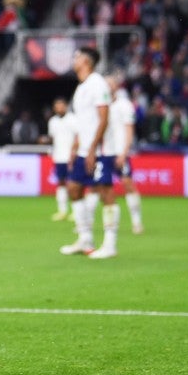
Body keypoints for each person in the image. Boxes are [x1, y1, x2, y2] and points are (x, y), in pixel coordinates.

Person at [59, 47, 118, 259]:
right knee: (73, 188)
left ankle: (110, 244)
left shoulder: (97, 83)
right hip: (84, 149)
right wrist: (76, 148)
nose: (73, 60)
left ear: (86, 61)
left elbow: (104, 117)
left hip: (100, 149)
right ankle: (85, 239)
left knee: (105, 191)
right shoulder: (81, 87)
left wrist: (93, 147)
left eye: (77, 56)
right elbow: (82, 122)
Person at [106, 75, 144, 234]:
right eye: (105, 84)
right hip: (104, 151)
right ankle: (87, 225)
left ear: (116, 86)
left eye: (110, 84)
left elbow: (129, 130)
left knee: (127, 183)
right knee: (97, 188)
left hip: (119, 151)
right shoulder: (100, 105)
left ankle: (137, 222)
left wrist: (124, 152)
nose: (108, 87)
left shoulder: (124, 105)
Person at [46, 97, 77, 221]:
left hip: (71, 157)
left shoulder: (73, 119)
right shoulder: (52, 121)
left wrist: (74, 152)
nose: (59, 108)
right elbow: (52, 138)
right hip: (59, 156)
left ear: (66, 106)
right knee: (61, 183)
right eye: (57, 106)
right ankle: (62, 210)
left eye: (61, 106)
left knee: (74, 184)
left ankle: (76, 211)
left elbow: (78, 136)